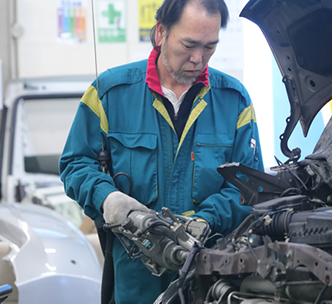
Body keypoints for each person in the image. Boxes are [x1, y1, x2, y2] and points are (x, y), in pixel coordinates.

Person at [59, 0, 264, 302]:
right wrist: (109, 199)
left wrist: (207, 220)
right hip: (135, 280)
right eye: (189, 45)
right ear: (160, 33)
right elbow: (76, 164)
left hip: (210, 277)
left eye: (210, 47)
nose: (198, 59)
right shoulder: (110, 92)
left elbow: (250, 184)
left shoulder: (234, 100)